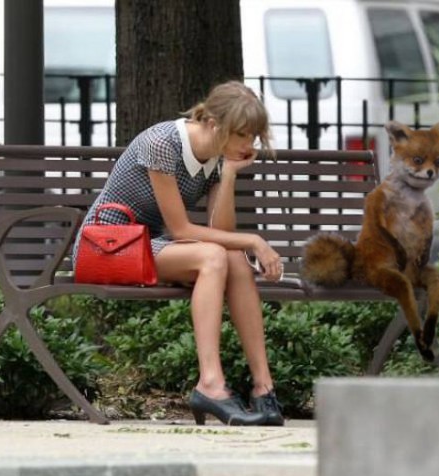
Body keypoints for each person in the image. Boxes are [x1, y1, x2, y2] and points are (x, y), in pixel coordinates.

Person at [73, 80, 284, 426]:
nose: (248, 144)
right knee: (215, 256)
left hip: (149, 246)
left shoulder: (218, 155)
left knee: (230, 257)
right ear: (215, 124)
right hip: (108, 245)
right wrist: (255, 241)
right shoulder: (162, 143)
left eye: (253, 137)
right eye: (242, 135)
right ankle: (211, 384)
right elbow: (183, 230)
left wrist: (228, 174)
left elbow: (221, 230)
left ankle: (263, 388)